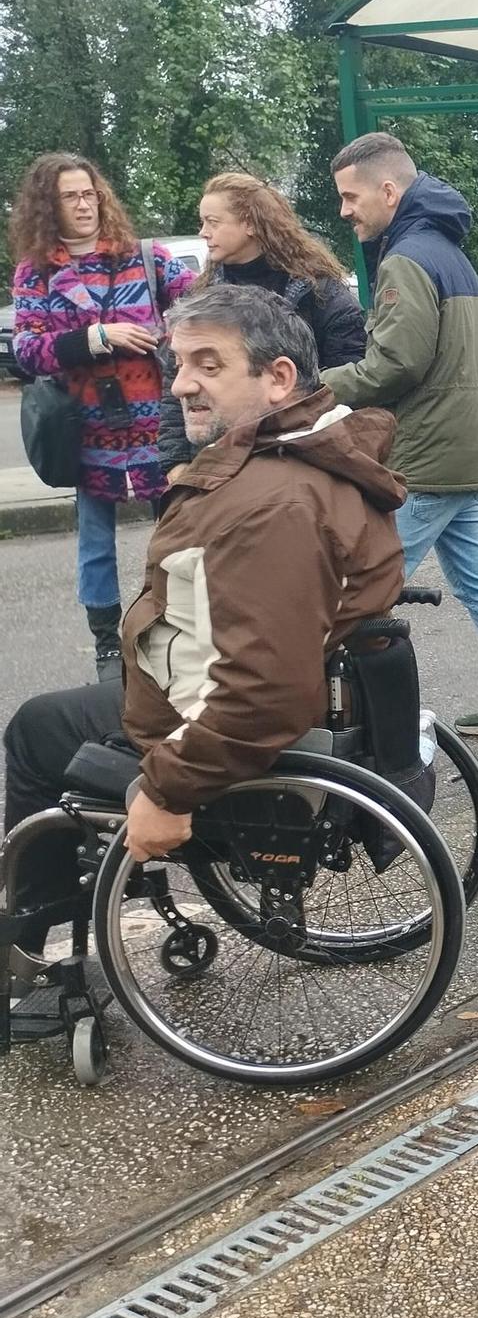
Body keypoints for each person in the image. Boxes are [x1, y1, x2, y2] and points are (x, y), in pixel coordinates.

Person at [2, 284, 405, 961]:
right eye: (179, 362)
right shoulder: (304, 454)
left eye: (208, 365)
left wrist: (166, 790)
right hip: (234, 682)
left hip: (212, 726)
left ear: (279, 379)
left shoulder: (270, 503)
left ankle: (32, 954)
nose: (181, 383)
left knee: (39, 729)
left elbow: (262, 693)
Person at [321, 131, 478, 737]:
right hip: (462, 449)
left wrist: (318, 387)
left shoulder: (406, 258)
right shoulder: (448, 251)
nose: (345, 211)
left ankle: (365, 726)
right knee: (475, 579)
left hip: (425, 458)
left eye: (349, 196)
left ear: (387, 190)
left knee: (361, 591)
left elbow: (397, 364)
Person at [8, 152, 194, 680]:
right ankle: (107, 645)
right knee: (95, 542)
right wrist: (97, 337)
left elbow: (204, 309)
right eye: (70, 196)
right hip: (88, 428)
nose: (84, 204)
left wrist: (179, 337)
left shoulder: (147, 259)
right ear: (50, 204)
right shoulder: (36, 273)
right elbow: (27, 352)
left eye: (89, 193)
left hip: (161, 423)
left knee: (177, 533)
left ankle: (176, 624)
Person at [152, 172, 368, 475]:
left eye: (213, 222)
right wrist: (176, 463)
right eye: (202, 223)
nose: (203, 232)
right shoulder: (200, 296)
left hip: (301, 461)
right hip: (216, 463)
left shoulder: (319, 292)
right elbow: (175, 380)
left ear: (251, 223)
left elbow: (351, 379)